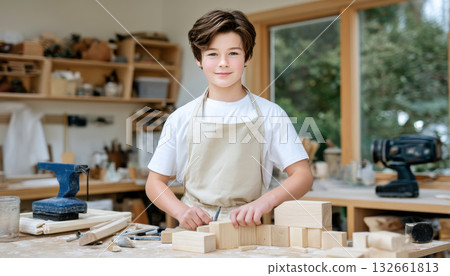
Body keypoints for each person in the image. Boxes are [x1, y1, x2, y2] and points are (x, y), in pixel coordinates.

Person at [146, 9, 313, 230]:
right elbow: (154, 182)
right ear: (199, 59)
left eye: (233, 53)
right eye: (212, 54)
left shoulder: (271, 115)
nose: (223, 63)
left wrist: (265, 203)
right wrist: (181, 212)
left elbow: (303, 176)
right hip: (194, 231)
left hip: (248, 230)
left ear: (247, 57)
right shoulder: (180, 118)